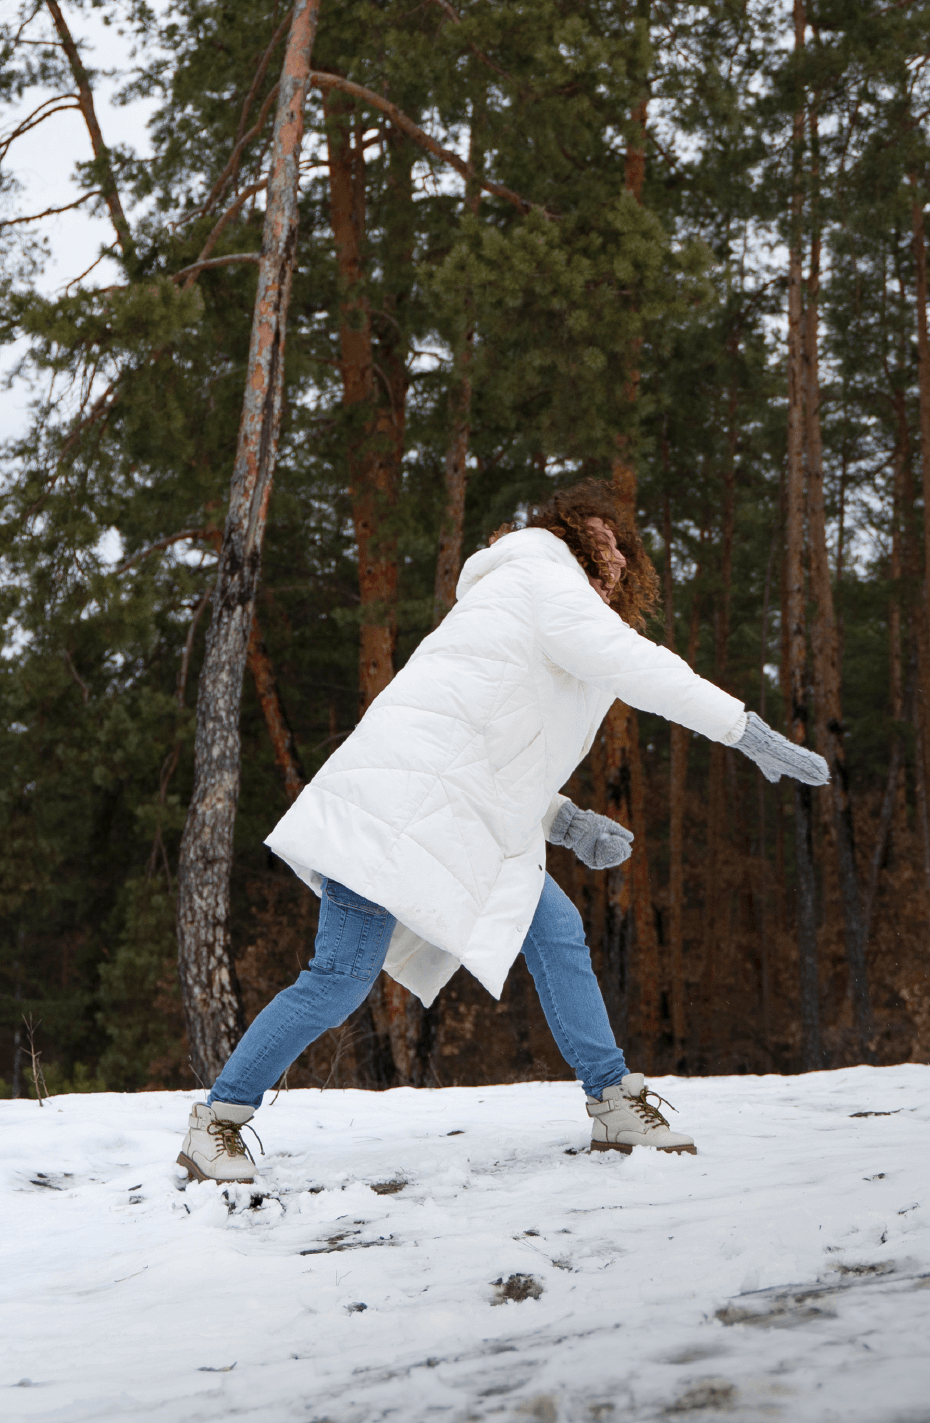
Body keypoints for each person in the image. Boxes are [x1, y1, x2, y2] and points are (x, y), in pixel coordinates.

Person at [175, 480, 830, 1183]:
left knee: (555, 930)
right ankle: (216, 1121)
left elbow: (489, 755)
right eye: (598, 537)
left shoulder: (524, 601)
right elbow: (641, 667)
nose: (610, 553)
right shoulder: (545, 582)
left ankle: (610, 1096)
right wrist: (746, 731)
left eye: (619, 544)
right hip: (396, 818)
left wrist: (567, 822)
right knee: (337, 980)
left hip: (445, 818)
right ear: (572, 537)